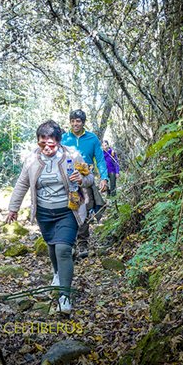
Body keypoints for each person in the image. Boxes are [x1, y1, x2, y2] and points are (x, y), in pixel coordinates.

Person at [6, 120, 93, 314]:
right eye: (42, 143)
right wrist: (13, 208)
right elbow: (22, 184)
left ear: (59, 142)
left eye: (51, 143)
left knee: (63, 249)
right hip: (44, 213)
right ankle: (56, 273)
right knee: (52, 246)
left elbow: (89, 179)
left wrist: (82, 179)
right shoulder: (32, 159)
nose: (46, 147)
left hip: (67, 211)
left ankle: (64, 296)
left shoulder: (73, 155)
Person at [61, 109, 108, 259]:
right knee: (69, 210)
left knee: (85, 210)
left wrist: (104, 178)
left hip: (85, 179)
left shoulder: (92, 139)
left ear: (83, 122)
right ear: (70, 122)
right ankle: (70, 243)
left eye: (78, 121)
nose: (75, 124)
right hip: (68, 181)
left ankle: (82, 242)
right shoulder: (63, 139)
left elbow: (100, 159)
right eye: (73, 121)